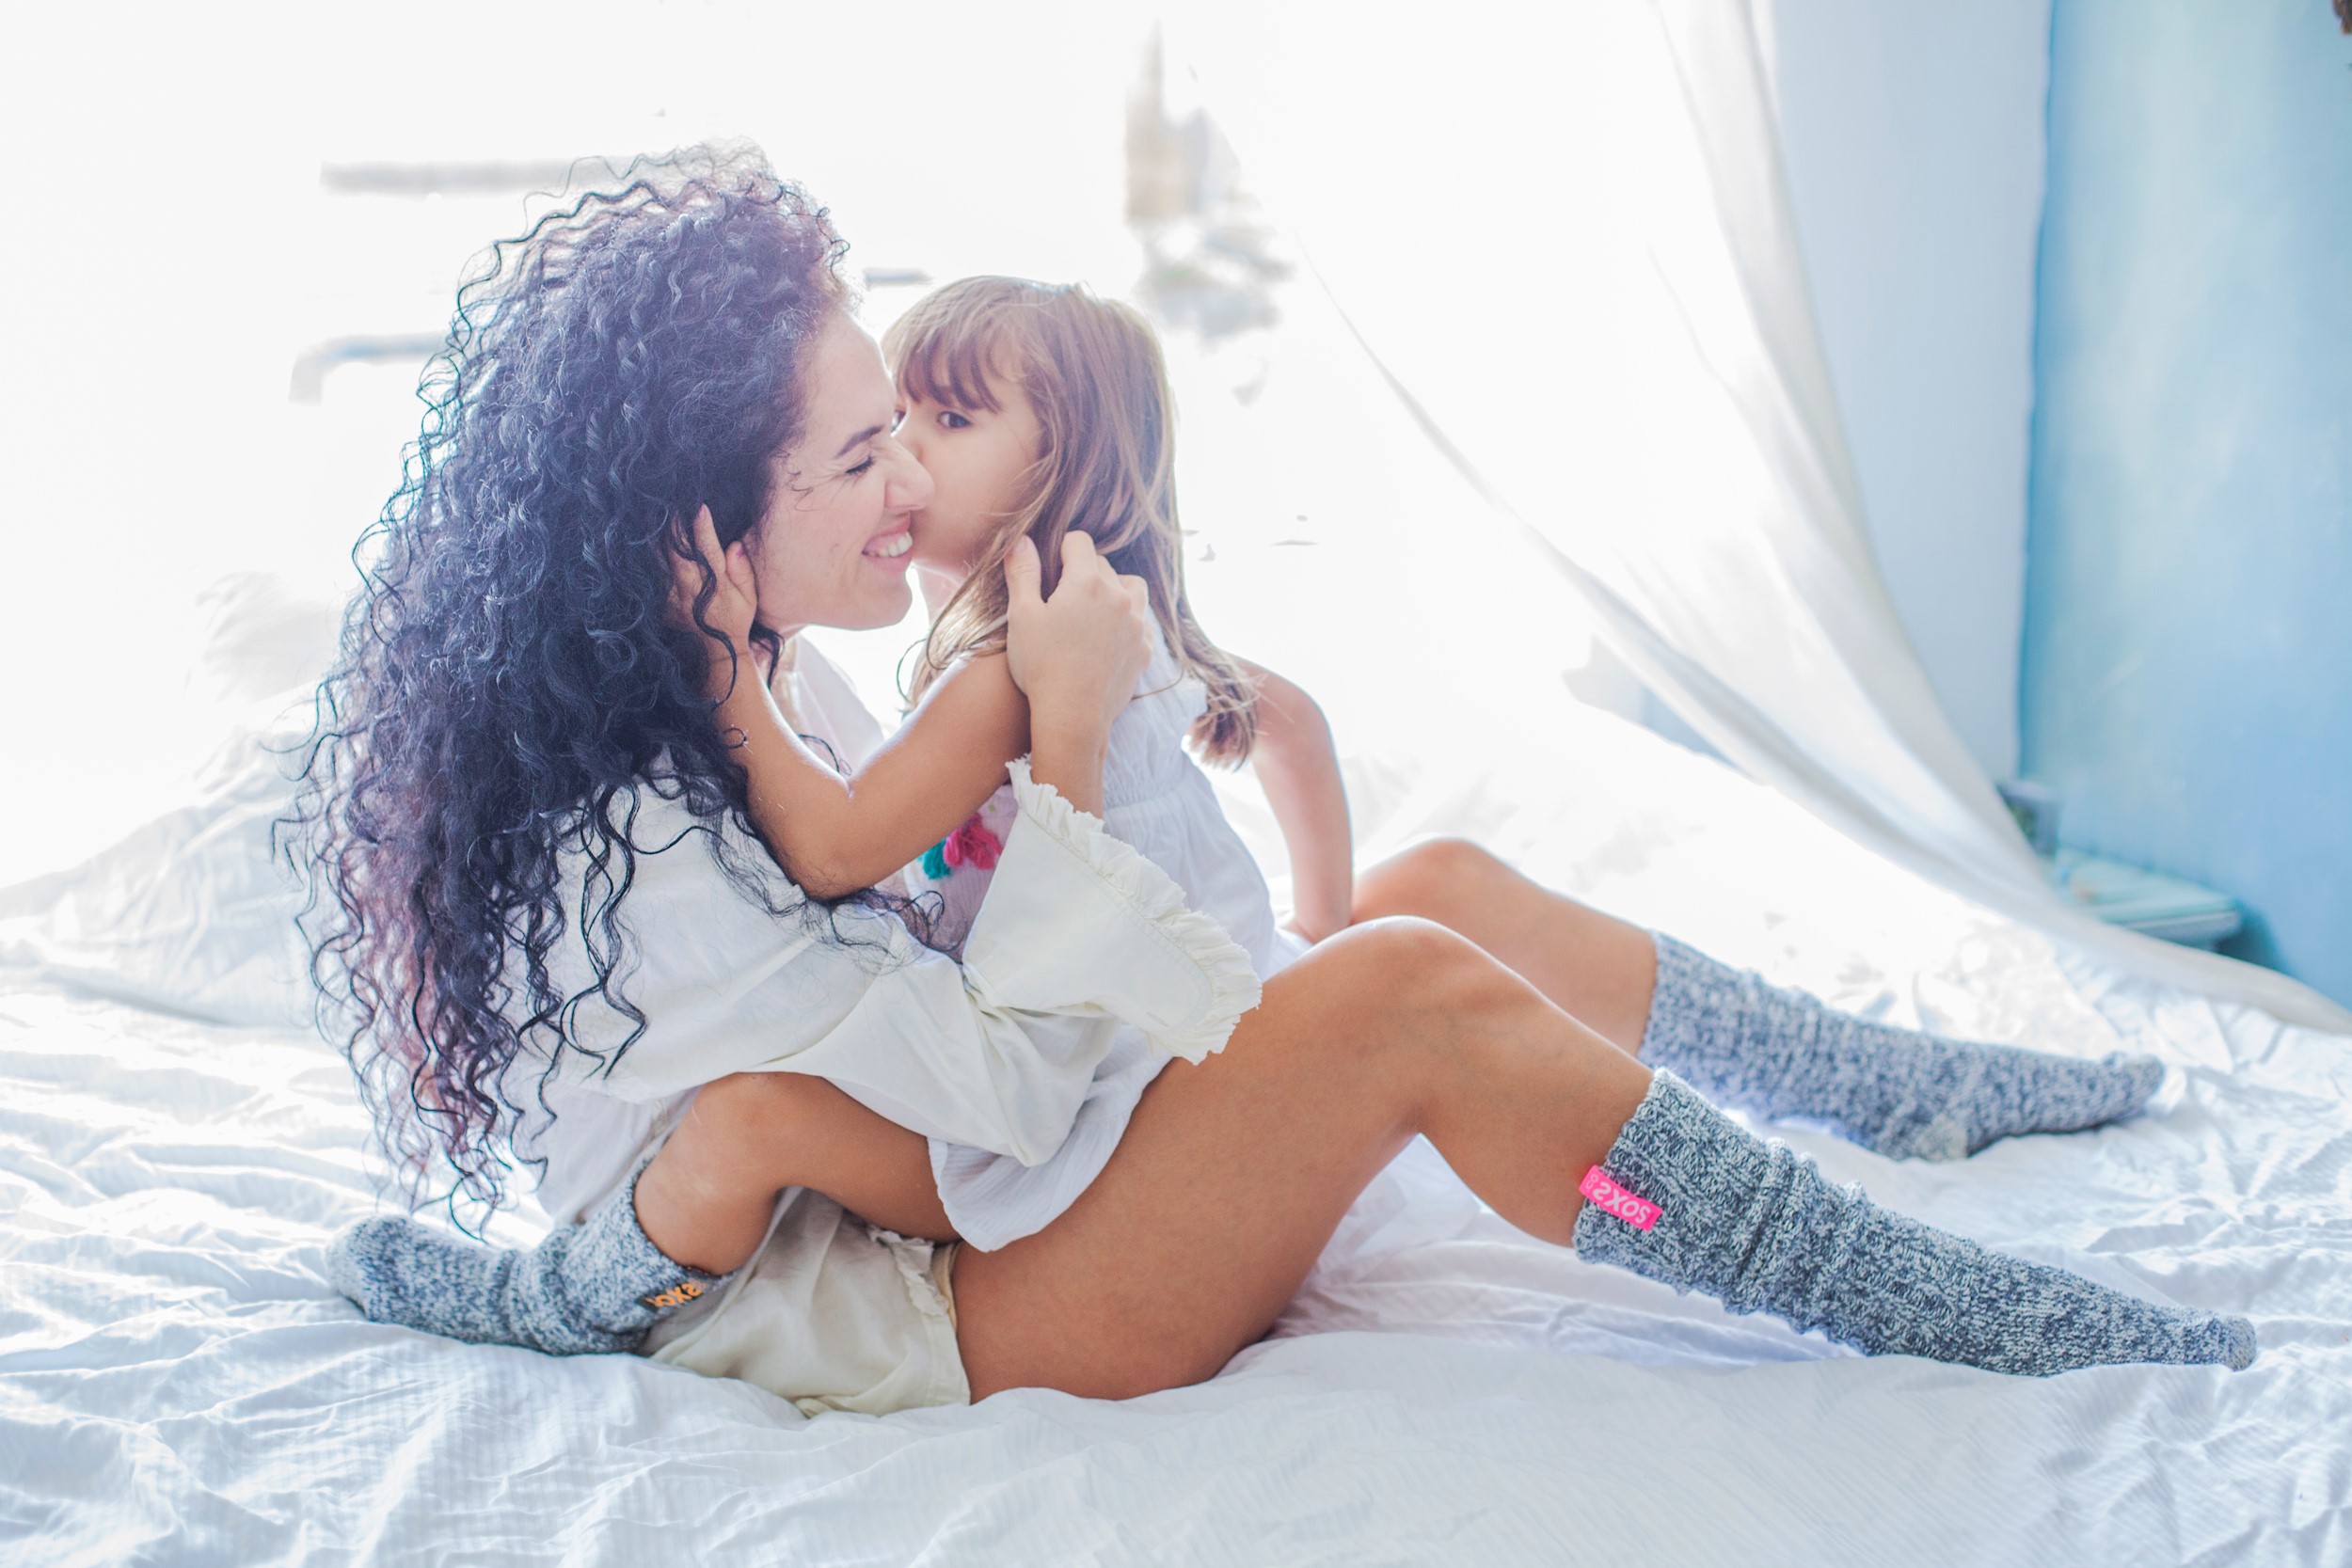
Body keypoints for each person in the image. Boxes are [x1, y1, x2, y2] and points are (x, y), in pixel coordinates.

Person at [309, 149, 2252, 1419]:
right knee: (1403, 991)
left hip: (1007, 1199)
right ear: (690, 527)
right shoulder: (656, 835)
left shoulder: (753, 679)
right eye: (857, 456)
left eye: (915, 429)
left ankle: (1887, 1095)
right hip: (987, 1303)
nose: (904, 484)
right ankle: (1923, 1297)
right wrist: (1076, 736)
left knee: (1429, 892)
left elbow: (948, 969)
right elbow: (992, 1110)